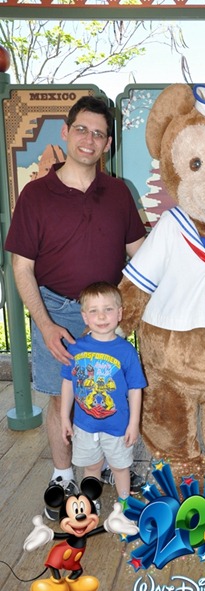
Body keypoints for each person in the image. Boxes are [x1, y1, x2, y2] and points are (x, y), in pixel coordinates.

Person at [4, 96, 147, 519]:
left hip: (108, 316)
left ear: (107, 145)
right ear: (66, 133)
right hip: (59, 313)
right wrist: (45, 325)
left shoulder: (119, 193)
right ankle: (65, 475)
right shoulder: (35, 194)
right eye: (82, 129)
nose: (89, 139)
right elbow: (21, 267)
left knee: (113, 394)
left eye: (99, 134)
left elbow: (140, 254)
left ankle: (107, 466)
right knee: (61, 401)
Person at [61, 282, 147, 508]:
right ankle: (89, 503)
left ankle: (125, 505)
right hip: (85, 424)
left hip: (118, 425)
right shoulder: (76, 349)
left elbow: (135, 388)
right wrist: (64, 418)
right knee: (91, 467)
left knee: (120, 467)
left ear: (119, 313)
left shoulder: (126, 351)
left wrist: (134, 423)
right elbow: (68, 383)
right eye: (94, 310)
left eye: (108, 309)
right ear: (85, 317)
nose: (101, 316)